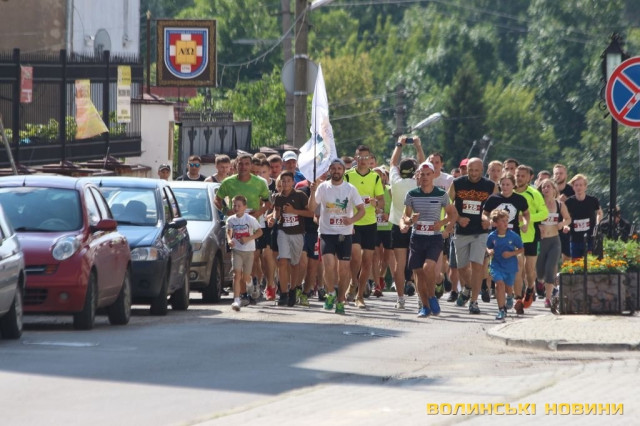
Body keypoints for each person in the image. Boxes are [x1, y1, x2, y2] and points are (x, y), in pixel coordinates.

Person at [309, 158, 365, 314]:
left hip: (344, 234)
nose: (336, 171)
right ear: (329, 171)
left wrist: (351, 220)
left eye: (339, 168)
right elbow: (311, 208)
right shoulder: (322, 187)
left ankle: (341, 300)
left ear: (343, 171)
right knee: (329, 265)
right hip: (326, 233)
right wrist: (312, 191)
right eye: (333, 168)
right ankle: (330, 293)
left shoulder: (350, 189)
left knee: (344, 269)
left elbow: (362, 210)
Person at [215, 153, 272, 305]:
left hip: (253, 227)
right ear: (236, 165)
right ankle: (244, 293)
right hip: (236, 229)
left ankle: (253, 282)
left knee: (252, 260)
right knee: (238, 266)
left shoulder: (259, 183)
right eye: (241, 164)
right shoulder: (228, 182)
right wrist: (226, 210)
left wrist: (259, 212)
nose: (244, 167)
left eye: (247, 164)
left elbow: (268, 203)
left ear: (251, 165)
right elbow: (217, 199)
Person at [403, 161, 457, 317]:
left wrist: (443, 224)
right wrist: (409, 221)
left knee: (428, 268)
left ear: (433, 175)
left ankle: (432, 296)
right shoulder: (412, 194)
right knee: (418, 272)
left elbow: (452, 214)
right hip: (417, 237)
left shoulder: (441, 194)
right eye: (422, 174)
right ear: (417, 176)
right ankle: (425, 306)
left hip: (434, 238)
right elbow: (405, 215)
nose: (425, 177)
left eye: (428, 174)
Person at [448, 157, 497, 314]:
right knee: (462, 268)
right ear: (466, 169)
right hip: (461, 230)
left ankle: (474, 302)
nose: (474, 173)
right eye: (471, 170)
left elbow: (497, 208)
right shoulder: (457, 183)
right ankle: (468, 288)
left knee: (477, 266)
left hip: (480, 231)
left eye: (477, 170)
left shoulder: (490, 186)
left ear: (482, 170)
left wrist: (489, 220)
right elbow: (447, 205)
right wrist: (458, 218)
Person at [344, 145, 385, 309]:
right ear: (355, 158)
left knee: (367, 261)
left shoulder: (375, 177)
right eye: (360, 157)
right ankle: (353, 281)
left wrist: (376, 204)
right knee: (355, 257)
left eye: (366, 157)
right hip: (353, 222)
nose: (363, 160)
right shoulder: (348, 175)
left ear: (370, 159)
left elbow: (382, 201)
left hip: (370, 223)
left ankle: (360, 296)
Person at [482, 172, 530, 305]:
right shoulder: (493, 199)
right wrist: (488, 221)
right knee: (492, 264)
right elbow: (484, 213)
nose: (505, 187)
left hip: (513, 236)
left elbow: (526, 213)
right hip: (496, 237)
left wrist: (526, 223)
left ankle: (517, 297)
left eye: (508, 184)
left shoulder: (520, 199)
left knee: (518, 265)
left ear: (513, 185)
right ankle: (489, 288)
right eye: (502, 184)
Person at [389, 136, 424, 309]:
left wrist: (399, 144)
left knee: (399, 264)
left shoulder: (395, 181)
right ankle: (420, 298)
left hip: (398, 225)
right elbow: (425, 165)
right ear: (416, 171)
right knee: (417, 264)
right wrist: (418, 146)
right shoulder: (419, 183)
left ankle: (400, 298)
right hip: (416, 226)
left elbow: (392, 163)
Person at [513, 164, 548, 314]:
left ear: (529, 178)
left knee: (529, 270)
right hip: (514, 236)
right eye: (517, 175)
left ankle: (530, 288)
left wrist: (527, 217)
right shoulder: (509, 192)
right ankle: (518, 299)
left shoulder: (534, 193)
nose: (519, 178)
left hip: (531, 235)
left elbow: (544, 213)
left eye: (523, 176)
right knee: (517, 266)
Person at [273, 171, 311, 306]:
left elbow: (310, 213)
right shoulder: (277, 197)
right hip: (283, 231)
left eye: (288, 181)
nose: (286, 183)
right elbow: (277, 213)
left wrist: (294, 211)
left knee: (295, 264)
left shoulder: (300, 195)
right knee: (282, 261)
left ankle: (293, 289)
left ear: (293, 182)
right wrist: (274, 217)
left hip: (297, 233)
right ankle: (283, 293)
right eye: (283, 181)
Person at [536, 178, 571, 309]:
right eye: (543, 187)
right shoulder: (538, 204)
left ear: (554, 189)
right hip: (541, 241)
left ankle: (548, 298)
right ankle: (540, 281)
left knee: (550, 268)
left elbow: (568, 218)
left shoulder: (560, 205)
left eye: (548, 186)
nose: (546, 189)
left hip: (554, 241)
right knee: (539, 272)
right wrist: (538, 226)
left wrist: (562, 224)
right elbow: (530, 217)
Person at [226, 195, 263, 311]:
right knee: (236, 274)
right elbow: (229, 232)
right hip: (236, 250)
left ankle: (251, 283)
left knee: (246, 277)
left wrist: (248, 238)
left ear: (245, 207)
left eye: (239, 206)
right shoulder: (231, 220)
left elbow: (260, 232)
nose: (236, 208)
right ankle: (236, 300)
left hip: (248, 251)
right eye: (234, 205)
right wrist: (229, 240)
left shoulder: (250, 219)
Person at [486, 209, 524, 320]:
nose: (505, 223)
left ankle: (510, 296)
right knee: (499, 284)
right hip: (496, 265)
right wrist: (489, 251)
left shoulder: (513, 236)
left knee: (508, 287)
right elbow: (487, 246)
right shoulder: (492, 236)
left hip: (510, 266)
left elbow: (521, 249)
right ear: (496, 223)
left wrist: (511, 254)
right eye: (502, 221)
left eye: (507, 220)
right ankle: (501, 310)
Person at [563, 173, 603, 259]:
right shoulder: (569, 202)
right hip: (575, 239)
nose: (579, 187)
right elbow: (565, 217)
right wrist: (565, 225)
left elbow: (599, 213)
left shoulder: (593, 200)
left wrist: (597, 223)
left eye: (581, 185)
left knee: (590, 262)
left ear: (585, 187)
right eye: (576, 185)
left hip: (590, 238)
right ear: (573, 187)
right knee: (576, 264)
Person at [372, 166, 394, 297]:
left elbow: (397, 209)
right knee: (375, 256)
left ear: (383, 177)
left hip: (388, 228)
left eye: (380, 175)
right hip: (374, 228)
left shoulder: (390, 191)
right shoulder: (370, 191)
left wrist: (388, 215)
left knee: (386, 259)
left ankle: (381, 277)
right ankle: (377, 284)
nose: (378, 177)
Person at [553, 163, 575, 261]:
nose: (558, 176)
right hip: (552, 225)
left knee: (567, 254)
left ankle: (567, 270)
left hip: (567, 226)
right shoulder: (549, 189)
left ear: (566, 175)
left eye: (561, 173)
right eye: (556, 173)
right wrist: (557, 200)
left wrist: (568, 201)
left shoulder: (572, 190)